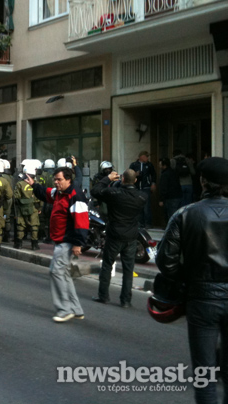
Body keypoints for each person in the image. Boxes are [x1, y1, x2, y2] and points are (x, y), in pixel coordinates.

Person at [156, 157, 228, 403]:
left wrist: (186, 278)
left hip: (202, 298)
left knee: (205, 376)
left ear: (203, 181)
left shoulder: (185, 213)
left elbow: (166, 261)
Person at [28, 167, 89, 322]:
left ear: (68, 179)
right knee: (64, 273)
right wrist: (34, 185)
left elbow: (81, 222)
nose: (56, 182)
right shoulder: (60, 192)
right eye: (55, 179)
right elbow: (46, 193)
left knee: (56, 272)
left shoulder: (75, 195)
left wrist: (78, 244)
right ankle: (75, 309)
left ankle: (64, 309)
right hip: (61, 240)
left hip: (66, 241)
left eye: (59, 179)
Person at [91, 169, 146, 308]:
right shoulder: (142, 197)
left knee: (107, 265)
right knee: (128, 269)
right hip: (131, 236)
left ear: (122, 179)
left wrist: (108, 178)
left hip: (114, 235)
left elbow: (96, 190)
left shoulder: (114, 194)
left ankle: (103, 296)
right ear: (135, 181)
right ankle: (126, 300)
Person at [14, 166, 41, 250]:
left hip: (22, 207)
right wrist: (39, 208)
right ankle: (34, 245)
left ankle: (19, 244)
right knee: (34, 226)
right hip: (34, 207)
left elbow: (16, 197)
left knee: (21, 225)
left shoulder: (19, 184)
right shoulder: (37, 183)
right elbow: (40, 197)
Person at [129, 151, 156, 227]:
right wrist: (135, 174)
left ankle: (148, 223)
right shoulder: (134, 164)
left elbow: (153, 174)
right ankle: (140, 223)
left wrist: (153, 183)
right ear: (142, 157)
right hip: (137, 188)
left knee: (147, 206)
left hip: (146, 187)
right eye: (146, 156)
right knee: (138, 206)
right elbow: (129, 174)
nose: (147, 158)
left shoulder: (149, 165)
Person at [158, 157, 182, 222]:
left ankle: (172, 230)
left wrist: (161, 199)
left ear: (164, 165)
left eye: (160, 165)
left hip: (170, 198)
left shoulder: (165, 175)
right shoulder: (173, 172)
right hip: (178, 196)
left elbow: (163, 188)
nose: (159, 166)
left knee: (171, 216)